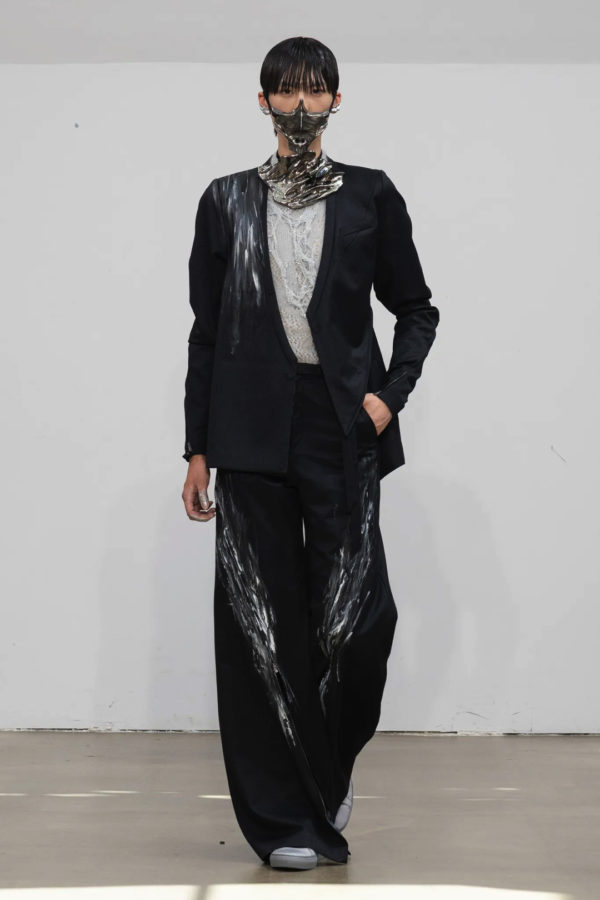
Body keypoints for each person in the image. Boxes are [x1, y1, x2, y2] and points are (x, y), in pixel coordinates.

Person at [181, 36, 440, 870]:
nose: (301, 105)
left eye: (315, 91)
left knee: (358, 624)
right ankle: (284, 821)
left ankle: (326, 767)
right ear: (262, 103)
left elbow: (417, 308)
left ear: (335, 100)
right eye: (286, 92)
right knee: (262, 628)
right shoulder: (225, 200)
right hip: (249, 429)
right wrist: (196, 448)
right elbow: (207, 330)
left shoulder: (370, 195)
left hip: (341, 427)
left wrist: (387, 398)